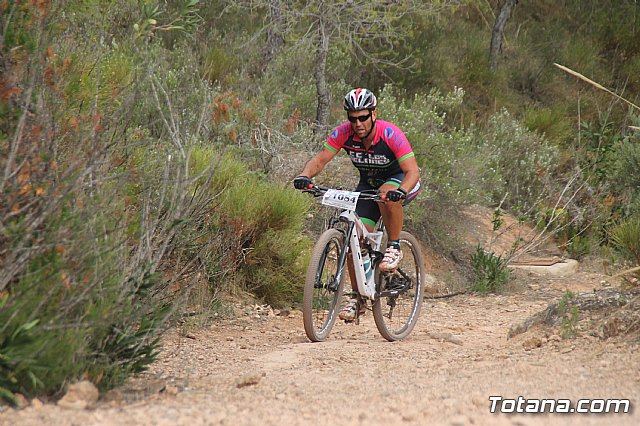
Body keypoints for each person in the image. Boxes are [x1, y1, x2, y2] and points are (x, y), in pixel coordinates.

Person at [293, 88, 422, 321]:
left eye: (363, 117)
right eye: (352, 118)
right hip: (368, 184)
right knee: (354, 239)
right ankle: (358, 296)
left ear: (373, 114)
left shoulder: (390, 134)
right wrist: (305, 176)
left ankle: (393, 246)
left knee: (386, 193)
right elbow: (321, 159)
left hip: (401, 180)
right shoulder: (344, 133)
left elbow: (412, 171)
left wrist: (400, 191)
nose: (358, 123)